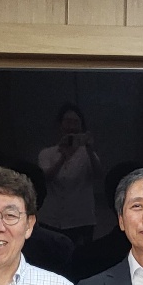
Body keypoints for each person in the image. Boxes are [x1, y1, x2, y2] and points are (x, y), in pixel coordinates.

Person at [36, 104, 102, 245]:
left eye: (76, 122)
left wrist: (90, 149)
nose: (71, 127)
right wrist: (63, 157)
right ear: (60, 125)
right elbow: (45, 178)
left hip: (82, 219)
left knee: (82, 255)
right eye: (67, 121)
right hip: (52, 219)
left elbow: (99, 175)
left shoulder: (87, 155)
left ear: (82, 127)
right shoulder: (47, 153)